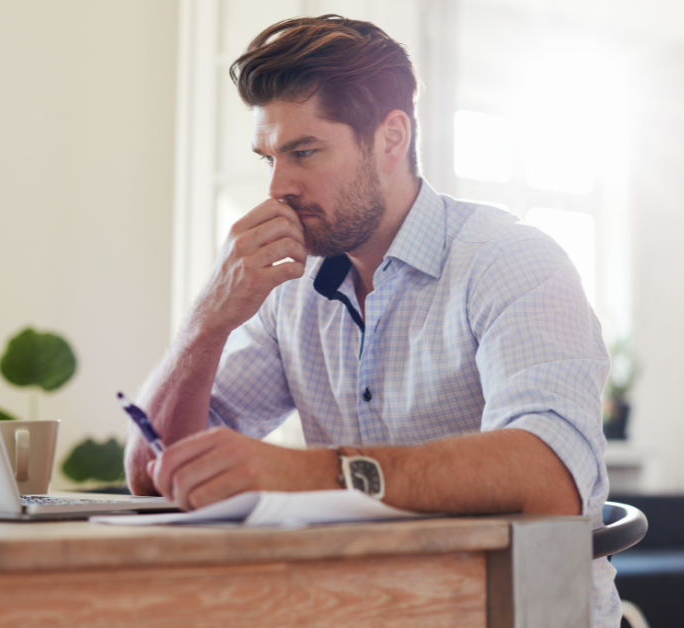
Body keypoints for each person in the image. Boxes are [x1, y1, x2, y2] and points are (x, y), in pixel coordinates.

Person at [124, 14, 619, 627]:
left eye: (304, 151)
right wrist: (208, 319)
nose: (279, 187)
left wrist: (311, 474)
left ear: (390, 138)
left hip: (513, 611)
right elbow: (153, 469)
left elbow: (550, 475)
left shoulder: (511, 261)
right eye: (269, 157)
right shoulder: (292, 289)